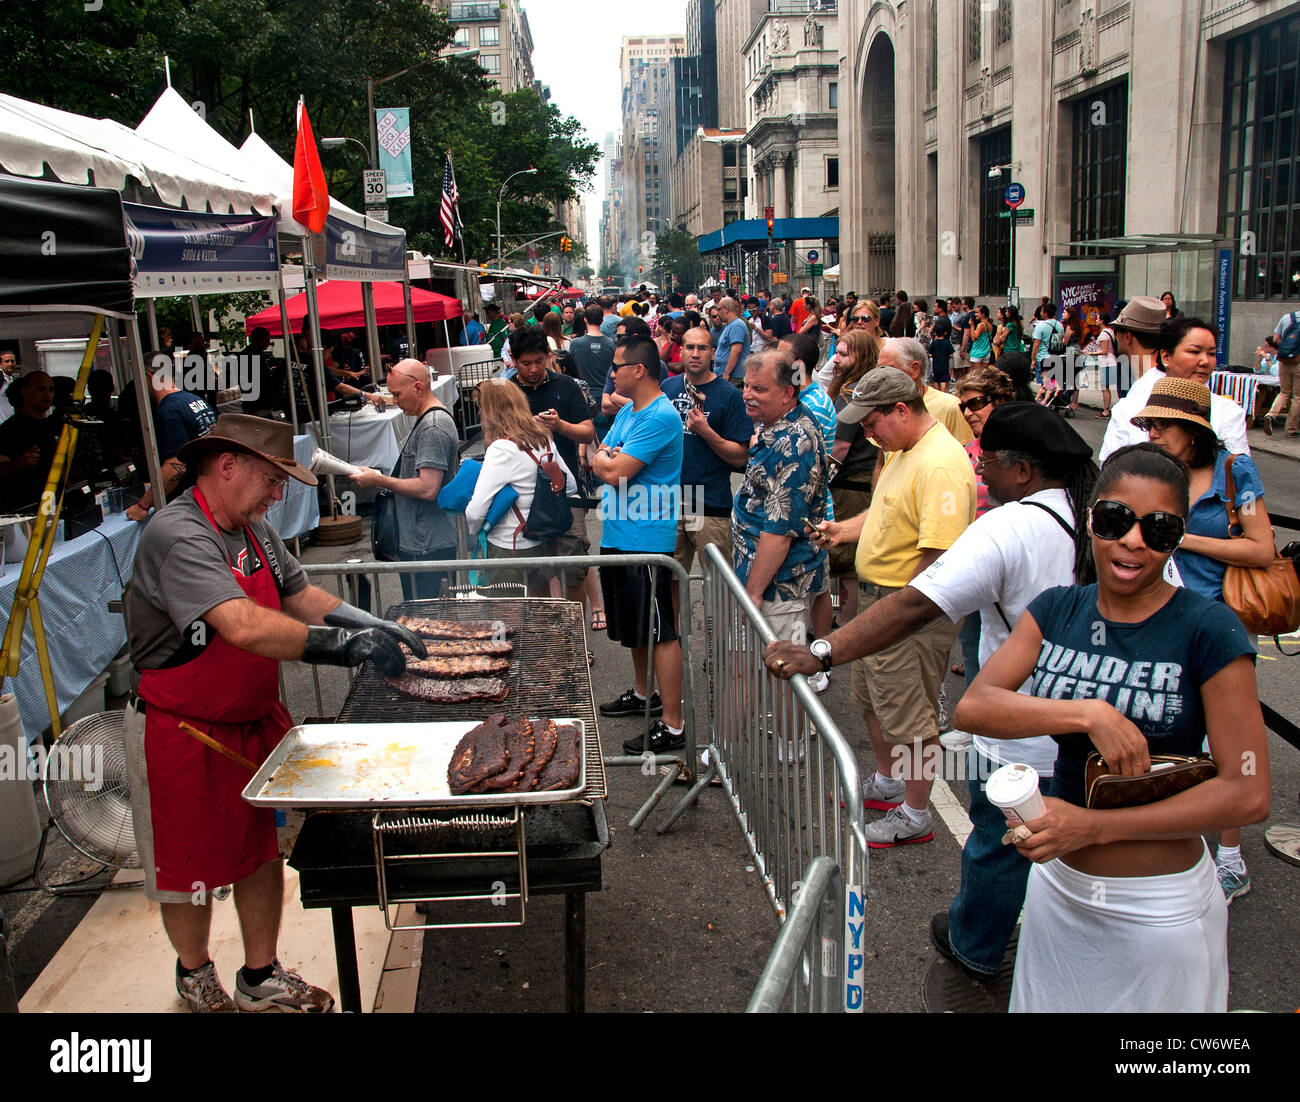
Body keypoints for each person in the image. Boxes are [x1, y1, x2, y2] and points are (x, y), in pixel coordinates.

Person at [767, 402, 1097, 979]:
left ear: (1023, 471)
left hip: (1012, 731)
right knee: (1068, 853)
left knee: (989, 830)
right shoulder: (1094, 513)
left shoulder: (994, 511)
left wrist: (822, 648)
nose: (980, 473)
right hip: (1077, 732)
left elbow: (922, 596)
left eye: (988, 463)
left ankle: (969, 932)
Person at [123, 413, 427, 1012]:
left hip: (253, 719)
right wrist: (342, 649)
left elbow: (297, 594)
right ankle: (195, 973)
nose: (279, 493)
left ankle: (259, 975)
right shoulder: (180, 534)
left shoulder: (255, 529)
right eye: (272, 479)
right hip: (182, 729)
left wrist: (369, 623)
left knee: (260, 851)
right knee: (191, 868)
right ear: (228, 466)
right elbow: (238, 622)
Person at [954, 443, 1268, 1012]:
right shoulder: (1057, 609)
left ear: (1175, 539)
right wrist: (1088, 713)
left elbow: (1248, 791)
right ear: (1090, 520)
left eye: (1160, 528)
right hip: (1059, 893)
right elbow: (975, 706)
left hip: (1158, 913)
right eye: (1115, 519)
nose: (1132, 541)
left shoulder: (1208, 629)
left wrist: (1095, 829)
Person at [806, 368, 976, 846]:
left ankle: (916, 813)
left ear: (902, 410)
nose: (865, 433)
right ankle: (889, 780)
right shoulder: (903, 450)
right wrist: (845, 530)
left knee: (913, 717)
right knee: (875, 700)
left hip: (907, 610)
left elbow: (937, 554)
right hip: (884, 604)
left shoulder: (939, 462)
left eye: (870, 422)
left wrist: (900, 613)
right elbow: (886, 514)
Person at [1134, 377, 1275, 905]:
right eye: (1148, 425)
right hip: (1157, 615)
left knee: (1227, 740)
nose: (1152, 434)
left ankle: (1230, 854)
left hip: (1218, 622)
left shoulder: (1235, 471)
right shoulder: (1154, 471)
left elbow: (1262, 550)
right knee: (1163, 726)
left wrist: (1181, 537)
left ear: (1194, 429)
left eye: (1162, 425)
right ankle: (1167, 830)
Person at [593, 334, 686, 755]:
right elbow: (599, 456)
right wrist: (606, 458)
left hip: (646, 538)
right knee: (636, 627)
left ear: (638, 370)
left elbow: (614, 472)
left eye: (616, 366)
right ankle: (642, 692)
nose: (611, 373)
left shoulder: (659, 416)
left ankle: (673, 723)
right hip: (618, 533)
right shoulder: (630, 409)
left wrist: (608, 460)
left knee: (661, 629)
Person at [732, 349, 829, 651]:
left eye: (759, 389)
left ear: (788, 393)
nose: (748, 394)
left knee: (779, 679)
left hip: (779, 590)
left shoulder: (794, 443)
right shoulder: (778, 422)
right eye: (746, 385)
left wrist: (754, 591)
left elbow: (779, 532)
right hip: (770, 581)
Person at [350, 360, 459, 601]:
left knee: (428, 620)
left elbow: (428, 487)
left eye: (397, 394)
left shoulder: (433, 426)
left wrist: (379, 480)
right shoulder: (430, 421)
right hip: (422, 542)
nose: (395, 401)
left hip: (427, 545)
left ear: (418, 388)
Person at [661, 325, 750, 620]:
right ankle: (675, 649)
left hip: (710, 504)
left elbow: (740, 456)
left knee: (717, 586)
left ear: (713, 353)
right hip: (670, 503)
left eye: (702, 348)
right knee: (668, 581)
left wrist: (706, 432)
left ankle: (717, 657)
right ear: (681, 351)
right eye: (689, 347)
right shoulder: (667, 389)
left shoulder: (728, 396)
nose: (695, 353)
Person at [506, 326, 595, 606]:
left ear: (548, 356)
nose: (533, 369)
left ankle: (576, 641)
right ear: (513, 359)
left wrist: (560, 425)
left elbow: (587, 432)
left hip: (566, 494)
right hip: (525, 497)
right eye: (525, 363)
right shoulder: (507, 392)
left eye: (538, 361)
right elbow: (492, 441)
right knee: (536, 574)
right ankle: (545, 639)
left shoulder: (566, 385)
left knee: (573, 571)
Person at [466, 377, 578, 590]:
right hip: (541, 542)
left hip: (508, 547)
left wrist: (475, 531)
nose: (480, 413)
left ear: (490, 411)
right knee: (537, 615)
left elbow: (476, 511)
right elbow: (569, 486)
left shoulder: (501, 449)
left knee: (508, 620)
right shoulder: (543, 439)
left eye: (481, 408)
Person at [1101, 315, 1249, 462]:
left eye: (1211, 353)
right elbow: (1110, 471)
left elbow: (1237, 471)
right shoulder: (1129, 409)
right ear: (1165, 356)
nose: (1205, 361)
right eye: (1194, 352)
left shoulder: (1228, 411)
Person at [821, 329, 880, 628]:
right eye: (837, 351)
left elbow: (840, 447)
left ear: (862, 357)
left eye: (844, 354)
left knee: (844, 558)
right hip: (851, 481)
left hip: (850, 483)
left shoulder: (854, 392)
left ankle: (845, 620)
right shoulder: (849, 387)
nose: (837, 359)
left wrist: (820, 479)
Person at [124, 359, 219, 522]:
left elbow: (176, 467)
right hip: (211, 496)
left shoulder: (168, 411)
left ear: (148, 377)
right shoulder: (196, 401)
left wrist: (143, 505)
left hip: (192, 507)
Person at [878, 337, 974, 446]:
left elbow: (967, 453)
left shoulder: (950, 406)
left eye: (889, 369)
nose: (881, 376)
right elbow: (882, 459)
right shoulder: (883, 406)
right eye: (879, 370)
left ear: (914, 369)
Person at [0, 371, 59, 515]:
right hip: (26, 508)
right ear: (25, 392)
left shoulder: (51, 425)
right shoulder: (10, 429)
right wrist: (19, 463)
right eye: (41, 389)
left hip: (54, 503)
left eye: (51, 389)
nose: (47, 394)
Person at [1264, 308, 1300, 434]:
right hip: (1298, 362)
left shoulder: (1287, 317)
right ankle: (1290, 429)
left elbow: (1275, 339)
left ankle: (1271, 415)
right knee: (1298, 397)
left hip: (1284, 360)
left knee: (1284, 392)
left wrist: (1288, 346)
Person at [713, 297, 751, 385]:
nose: (717, 313)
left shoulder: (737, 325)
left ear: (726, 309)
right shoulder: (730, 325)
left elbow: (736, 351)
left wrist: (727, 373)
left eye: (718, 309)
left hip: (733, 377)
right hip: (726, 375)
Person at [1030, 301, 1065, 387]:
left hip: (1043, 357)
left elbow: (1036, 344)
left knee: (1044, 380)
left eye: (1042, 311)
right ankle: (1052, 395)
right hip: (1057, 356)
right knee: (1053, 379)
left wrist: (1033, 358)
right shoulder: (1060, 325)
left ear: (1045, 314)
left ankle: (1045, 396)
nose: (1040, 313)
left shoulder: (1040, 326)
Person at [1092, 311, 1119, 419]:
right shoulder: (1110, 331)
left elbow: (1104, 351)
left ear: (1102, 320)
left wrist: (1090, 353)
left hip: (1106, 363)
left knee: (1104, 388)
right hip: (1110, 362)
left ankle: (1106, 411)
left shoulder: (1104, 334)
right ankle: (1106, 410)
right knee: (1106, 387)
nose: (1096, 320)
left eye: (1097, 318)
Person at [928, 315, 955, 393]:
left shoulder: (934, 343)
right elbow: (951, 354)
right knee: (943, 381)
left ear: (935, 333)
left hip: (935, 365)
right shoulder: (947, 343)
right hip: (945, 366)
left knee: (936, 380)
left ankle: (937, 393)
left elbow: (930, 354)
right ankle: (943, 393)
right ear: (945, 333)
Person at [967, 304, 994, 370]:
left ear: (983, 314)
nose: (975, 314)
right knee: (984, 375)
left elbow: (973, 338)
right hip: (986, 352)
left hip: (977, 352)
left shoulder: (981, 325)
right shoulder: (990, 325)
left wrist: (972, 326)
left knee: (976, 375)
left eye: (977, 312)